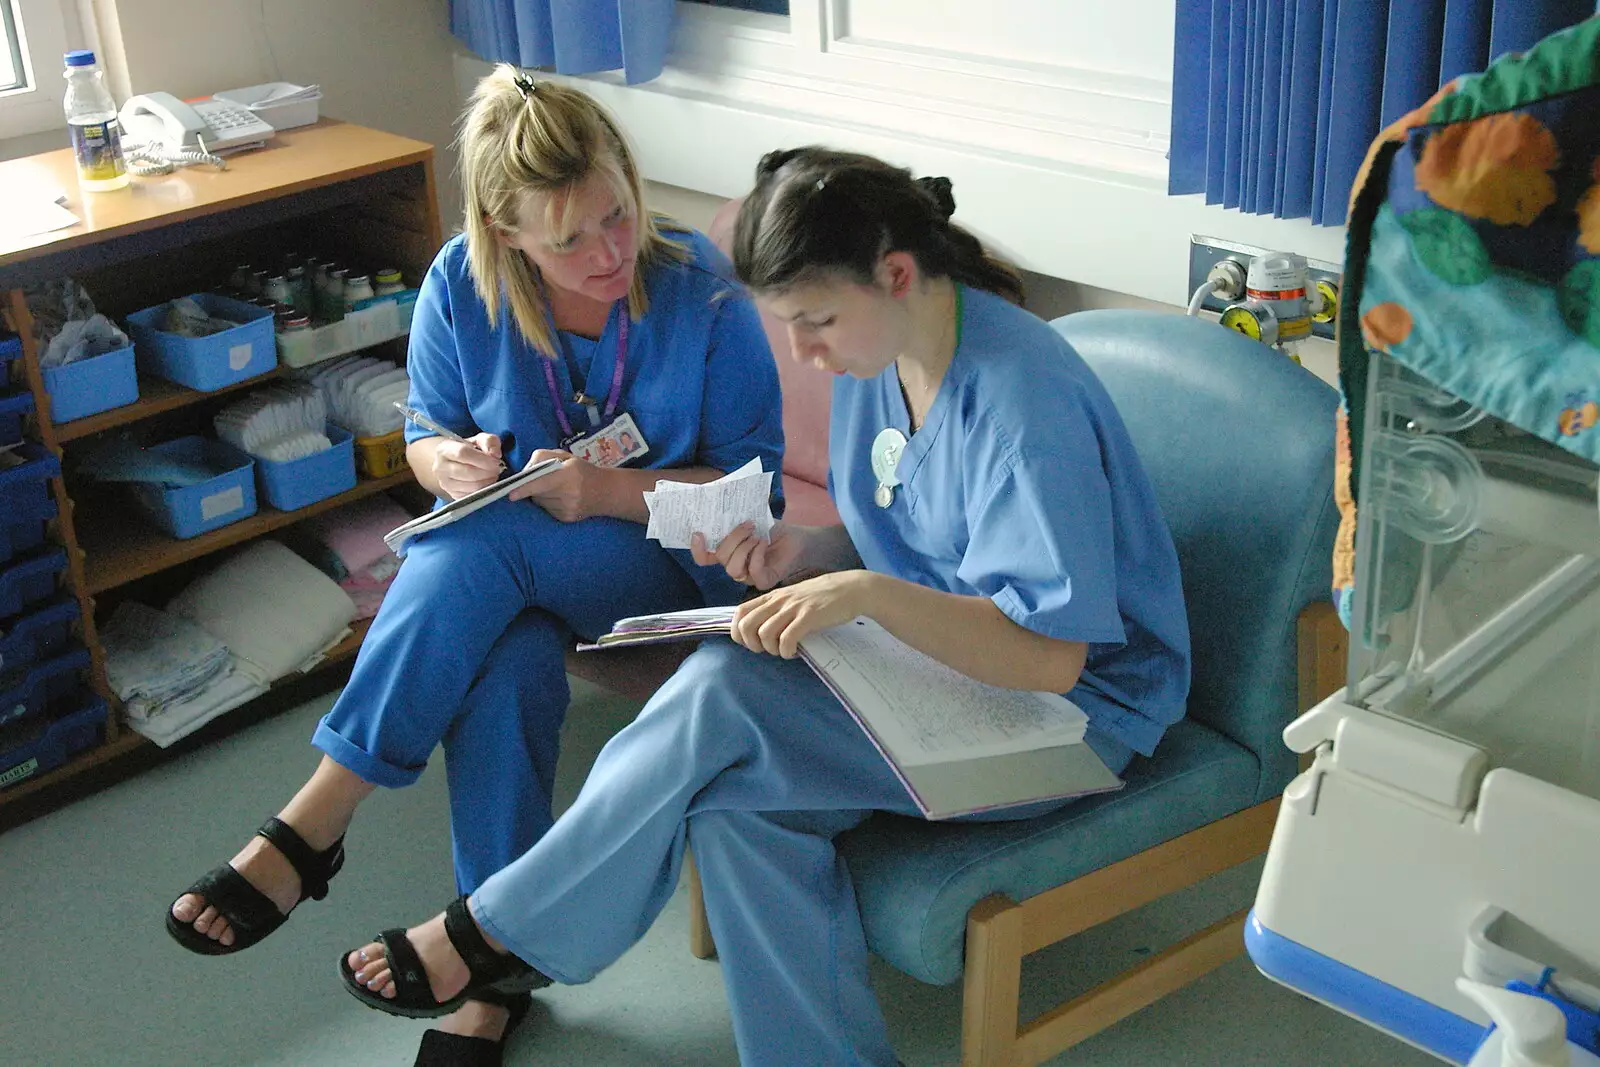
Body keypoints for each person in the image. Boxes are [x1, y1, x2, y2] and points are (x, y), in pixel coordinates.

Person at [332, 147, 1190, 1066]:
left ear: (897, 273)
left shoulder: (1022, 411)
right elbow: (909, 535)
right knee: (738, 810)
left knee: (725, 687)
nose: (806, 355)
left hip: (1071, 719)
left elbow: (1049, 657)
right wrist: (802, 553)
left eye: (815, 322)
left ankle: (497, 930)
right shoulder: (885, 362)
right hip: (946, 667)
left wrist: (864, 594)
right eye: (789, 327)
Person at [165, 67, 783, 1063]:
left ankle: (311, 823)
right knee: (505, 655)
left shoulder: (701, 291)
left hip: (681, 568)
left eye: (617, 214)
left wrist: (607, 493)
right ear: (506, 236)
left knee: (477, 543)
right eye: (569, 238)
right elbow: (422, 432)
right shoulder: (461, 281)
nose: (610, 251)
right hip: (528, 578)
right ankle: (491, 964)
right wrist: (444, 463)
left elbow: (753, 500)